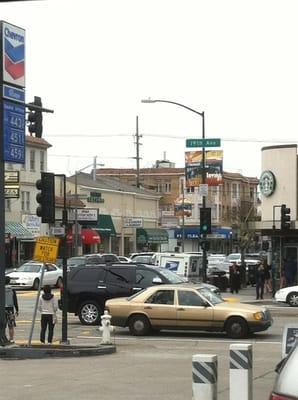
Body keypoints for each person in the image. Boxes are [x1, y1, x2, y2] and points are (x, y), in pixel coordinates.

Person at [5, 276, 19, 343]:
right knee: (11, 325)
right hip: (10, 309)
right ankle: (11, 339)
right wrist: (17, 309)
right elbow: (15, 300)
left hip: (2, 309)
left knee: (2, 326)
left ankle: (3, 338)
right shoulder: (12, 290)